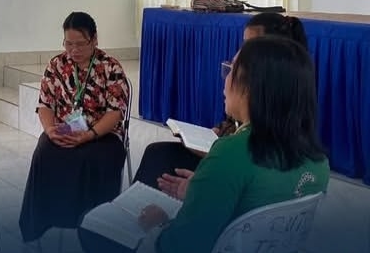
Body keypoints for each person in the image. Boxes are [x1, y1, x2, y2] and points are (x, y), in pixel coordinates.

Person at [79, 36, 330, 253]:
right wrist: (203, 192)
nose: (225, 79)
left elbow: (182, 246)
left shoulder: (231, 152)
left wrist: (158, 224)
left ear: (251, 86)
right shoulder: (319, 162)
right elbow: (256, 206)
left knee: (91, 225)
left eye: (231, 69)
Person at [132, 12, 308, 189]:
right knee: (158, 153)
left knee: (160, 159)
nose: (244, 51)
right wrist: (219, 132)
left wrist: (201, 180)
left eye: (250, 45)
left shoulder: (280, 97)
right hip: (232, 157)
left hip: (236, 164)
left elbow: (245, 161)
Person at [19, 12, 130, 243]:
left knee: (94, 158)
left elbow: (115, 113)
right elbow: (45, 105)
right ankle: (41, 223)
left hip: (102, 133)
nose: (74, 50)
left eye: (80, 44)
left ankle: (95, 229)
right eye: (68, 44)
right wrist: (50, 130)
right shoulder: (56, 65)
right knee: (45, 152)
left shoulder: (110, 67)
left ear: (94, 39)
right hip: (65, 130)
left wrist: (89, 135)